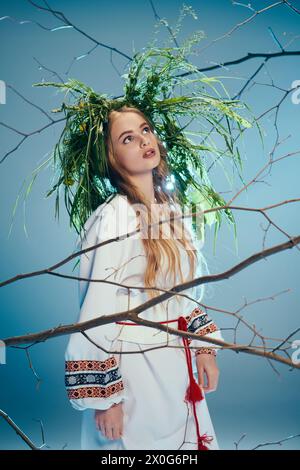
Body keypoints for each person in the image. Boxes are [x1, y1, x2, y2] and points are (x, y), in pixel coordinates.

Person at [64, 106, 224, 450]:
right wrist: (106, 400)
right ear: (112, 158)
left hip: (174, 368)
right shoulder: (113, 219)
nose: (143, 140)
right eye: (128, 138)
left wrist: (203, 348)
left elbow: (181, 293)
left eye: (145, 130)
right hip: (134, 373)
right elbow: (95, 315)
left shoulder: (172, 210)